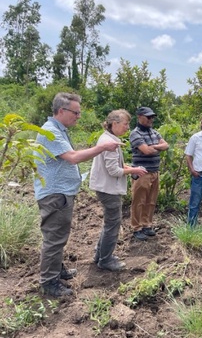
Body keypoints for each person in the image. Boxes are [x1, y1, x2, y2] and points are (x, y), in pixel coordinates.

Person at [34, 92, 121, 297]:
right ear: (62, 111)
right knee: (54, 239)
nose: (79, 116)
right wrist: (100, 148)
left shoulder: (59, 130)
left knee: (58, 237)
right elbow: (72, 158)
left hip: (61, 194)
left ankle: (57, 270)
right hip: (55, 195)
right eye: (76, 112)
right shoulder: (50, 132)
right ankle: (49, 283)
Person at [89, 109, 147, 271]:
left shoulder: (109, 139)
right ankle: (105, 260)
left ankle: (100, 255)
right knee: (113, 224)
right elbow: (114, 171)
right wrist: (134, 171)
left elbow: (117, 166)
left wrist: (131, 168)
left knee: (109, 223)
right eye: (125, 124)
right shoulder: (110, 144)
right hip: (108, 189)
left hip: (105, 187)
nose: (128, 127)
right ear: (114, 124)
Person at [129, 107, 169, 241]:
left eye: (152, 117)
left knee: (151, 200)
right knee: (138, 201)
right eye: (148, 117)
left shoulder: (154, 132)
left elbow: (166, 145)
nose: (151, 119)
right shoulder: (135, 133)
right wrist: (156, 147)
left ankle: (147, 225)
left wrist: (154, 147)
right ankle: (137, 228)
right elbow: (146, 150)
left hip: (154, 171)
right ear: (139, 117)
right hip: (142, 172)